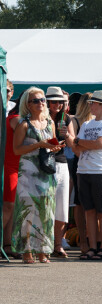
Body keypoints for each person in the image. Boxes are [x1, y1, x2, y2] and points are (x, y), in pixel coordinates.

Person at [12, 87, 64, 264]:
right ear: (28, 104)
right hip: (28, 172)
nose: (41, 103)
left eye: (42, 100)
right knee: (28, 211)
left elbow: (52, 144)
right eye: (36, 100)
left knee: (46, 211)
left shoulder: (49, 123)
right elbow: (16, 149)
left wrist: (55, 147)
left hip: (46, 172)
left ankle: (43, 250)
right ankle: (26, 250)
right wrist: (38, 145)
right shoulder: (24, 124)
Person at [69, 90, 102, 260]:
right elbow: (78, 149)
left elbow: (101, 143)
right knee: (88, 210)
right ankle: (92, 247)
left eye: (93, 103)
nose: (90, 105)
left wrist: (80, 142)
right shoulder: (87, 124)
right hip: (83, 171)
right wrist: (88, 144)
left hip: (99, 171)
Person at [45, 86, 75, 259]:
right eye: (54, 101)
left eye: (60, 102)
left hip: (61, 164)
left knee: (62, 206)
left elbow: (72, 144)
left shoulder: (67, 118)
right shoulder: (41, 118)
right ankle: (45, 244)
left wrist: (68, 136)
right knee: (46, 204)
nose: (57, 105)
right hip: (44, 164)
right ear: (47, 102)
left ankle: (57, 244)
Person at [68, 93, 94, 256]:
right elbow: (73, 144)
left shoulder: (100, 121)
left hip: (97, 166)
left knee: (95, 205)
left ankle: (94, 241)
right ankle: (83, 241)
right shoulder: (74, 120)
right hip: (80, 164)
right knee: (79, 202)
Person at [3, 89, 22, 259]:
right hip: (9, 166)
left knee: (12, 207)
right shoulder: (15, 119)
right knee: (8, 206)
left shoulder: (17, 117)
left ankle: (7, 244)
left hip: (18, 166)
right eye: (35, 101)